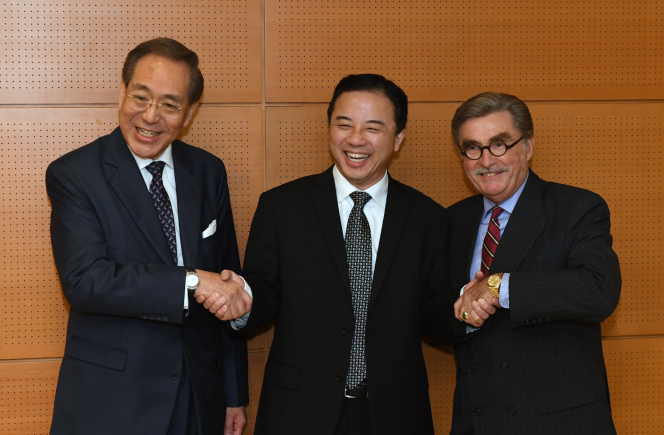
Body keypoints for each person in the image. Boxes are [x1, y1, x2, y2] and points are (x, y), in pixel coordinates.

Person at [197, 74, 490, 435]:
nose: (355, 139)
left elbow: (432, 311)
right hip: (299, 411)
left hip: (396, 412)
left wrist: (464, 310)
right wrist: (243, 301)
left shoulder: (427, 217)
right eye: (344, 124)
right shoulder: (282, 208)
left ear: (398, 138)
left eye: (373, 128)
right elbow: (265, 292)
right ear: (330, 128)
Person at [46, 38, 250, 435]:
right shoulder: (75, 175)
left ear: (189, 113)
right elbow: (86, 281)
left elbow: (227, 282)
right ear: (122, 92)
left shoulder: (208, 172)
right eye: (141, 97)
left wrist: (232, 392)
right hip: (113, 403)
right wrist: (191, 280)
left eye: (170, 105)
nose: (151, 116)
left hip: (198, 399)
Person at [448, 92, 621, 434]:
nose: (486, 160)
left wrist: (498, 287)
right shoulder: (453, 221)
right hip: (478, 421)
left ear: (527, 146)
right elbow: (440, 307)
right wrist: (464, 315)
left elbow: (599, 291)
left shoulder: (577, 208)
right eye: (473, 148)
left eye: (499, 144)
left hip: (561, 422)